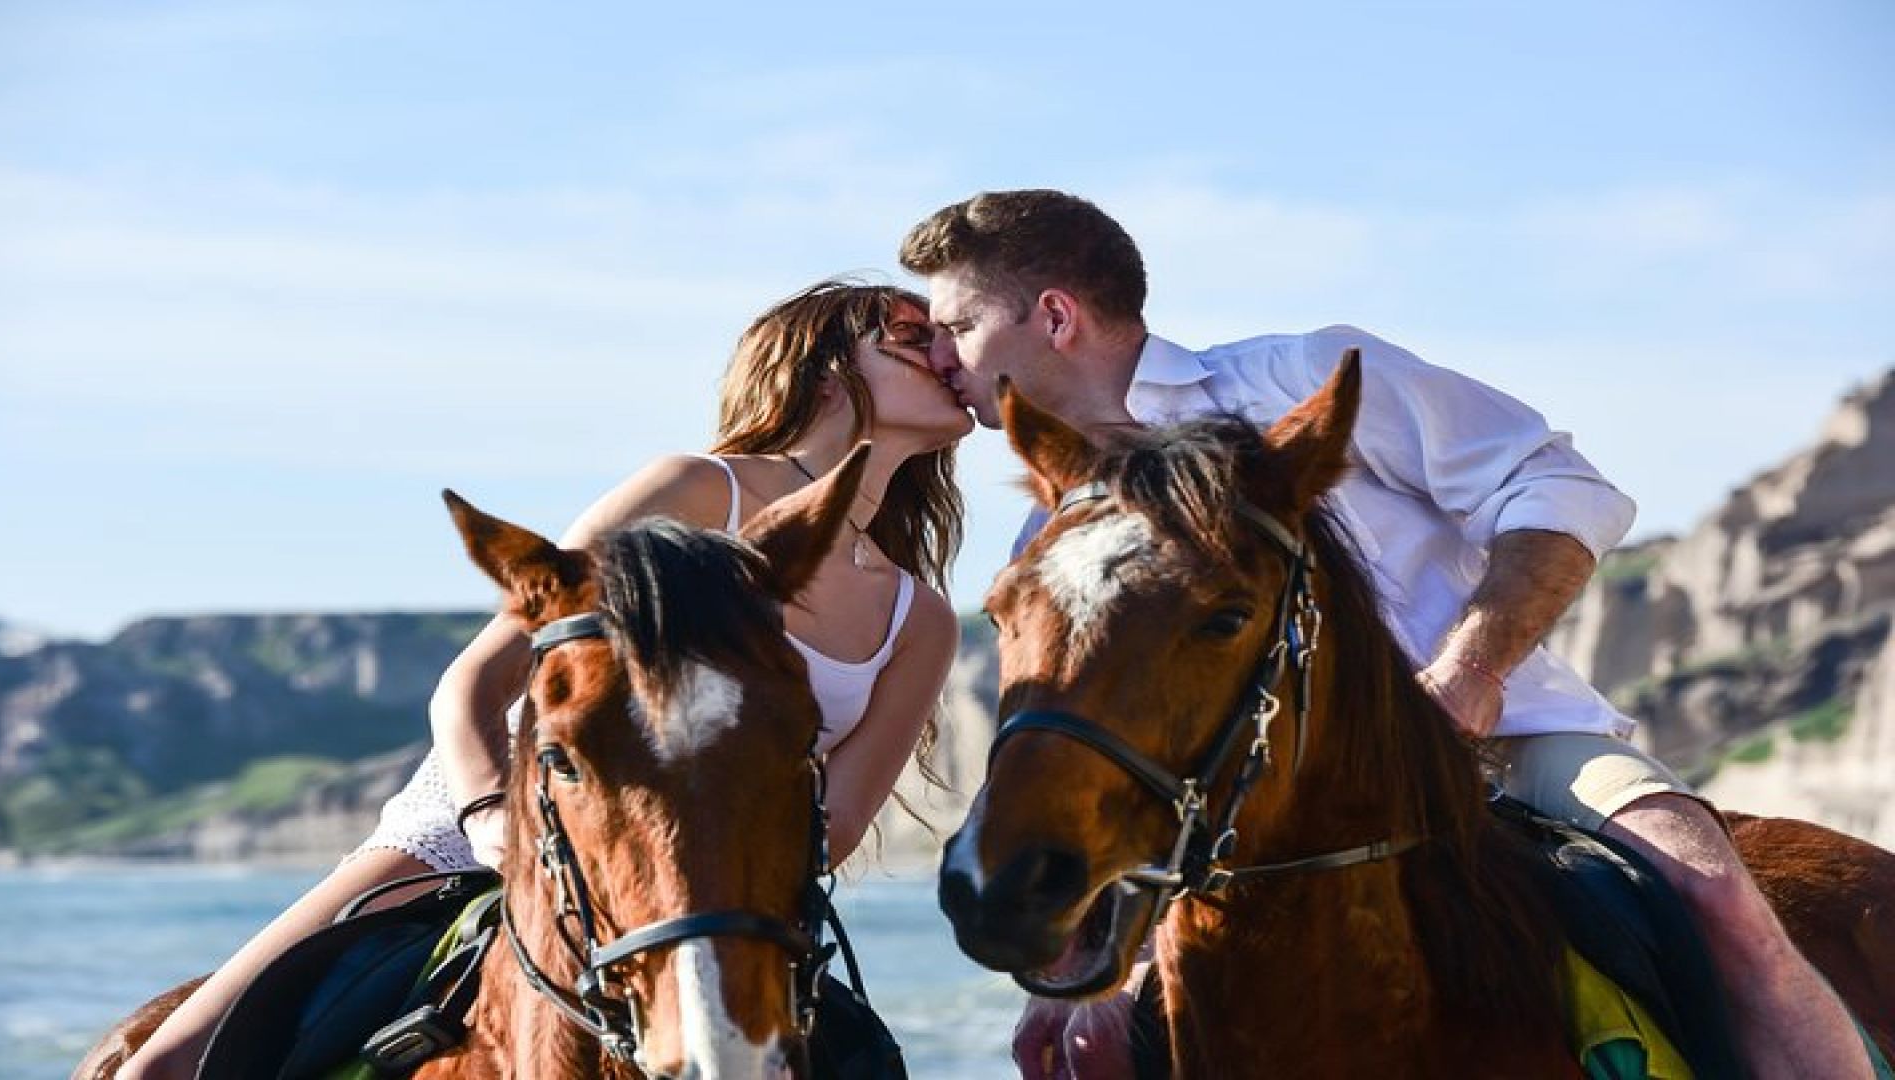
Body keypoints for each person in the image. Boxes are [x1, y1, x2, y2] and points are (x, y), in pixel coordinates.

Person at [898, 189, 1875, 1080]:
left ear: (1055, 315)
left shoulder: (1298, 374)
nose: (941, 358)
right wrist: (1067, 962)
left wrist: (1472, 669)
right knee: (1083, 1048)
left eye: (957, 327)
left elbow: (1561, 488)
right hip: (1234, 822)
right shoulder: (1050, 536)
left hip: (1510, 747)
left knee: (1716, 898)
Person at [115, 279, 975, 1080]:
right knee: (165, 1067)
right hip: (491, 817)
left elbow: (838, 824)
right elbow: (473, 682)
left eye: (948, 338)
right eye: (911, 337)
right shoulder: (694, 488)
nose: (945, 353)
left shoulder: (920, 618)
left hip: (699, 879)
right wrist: (489, 817)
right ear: (824, 369)